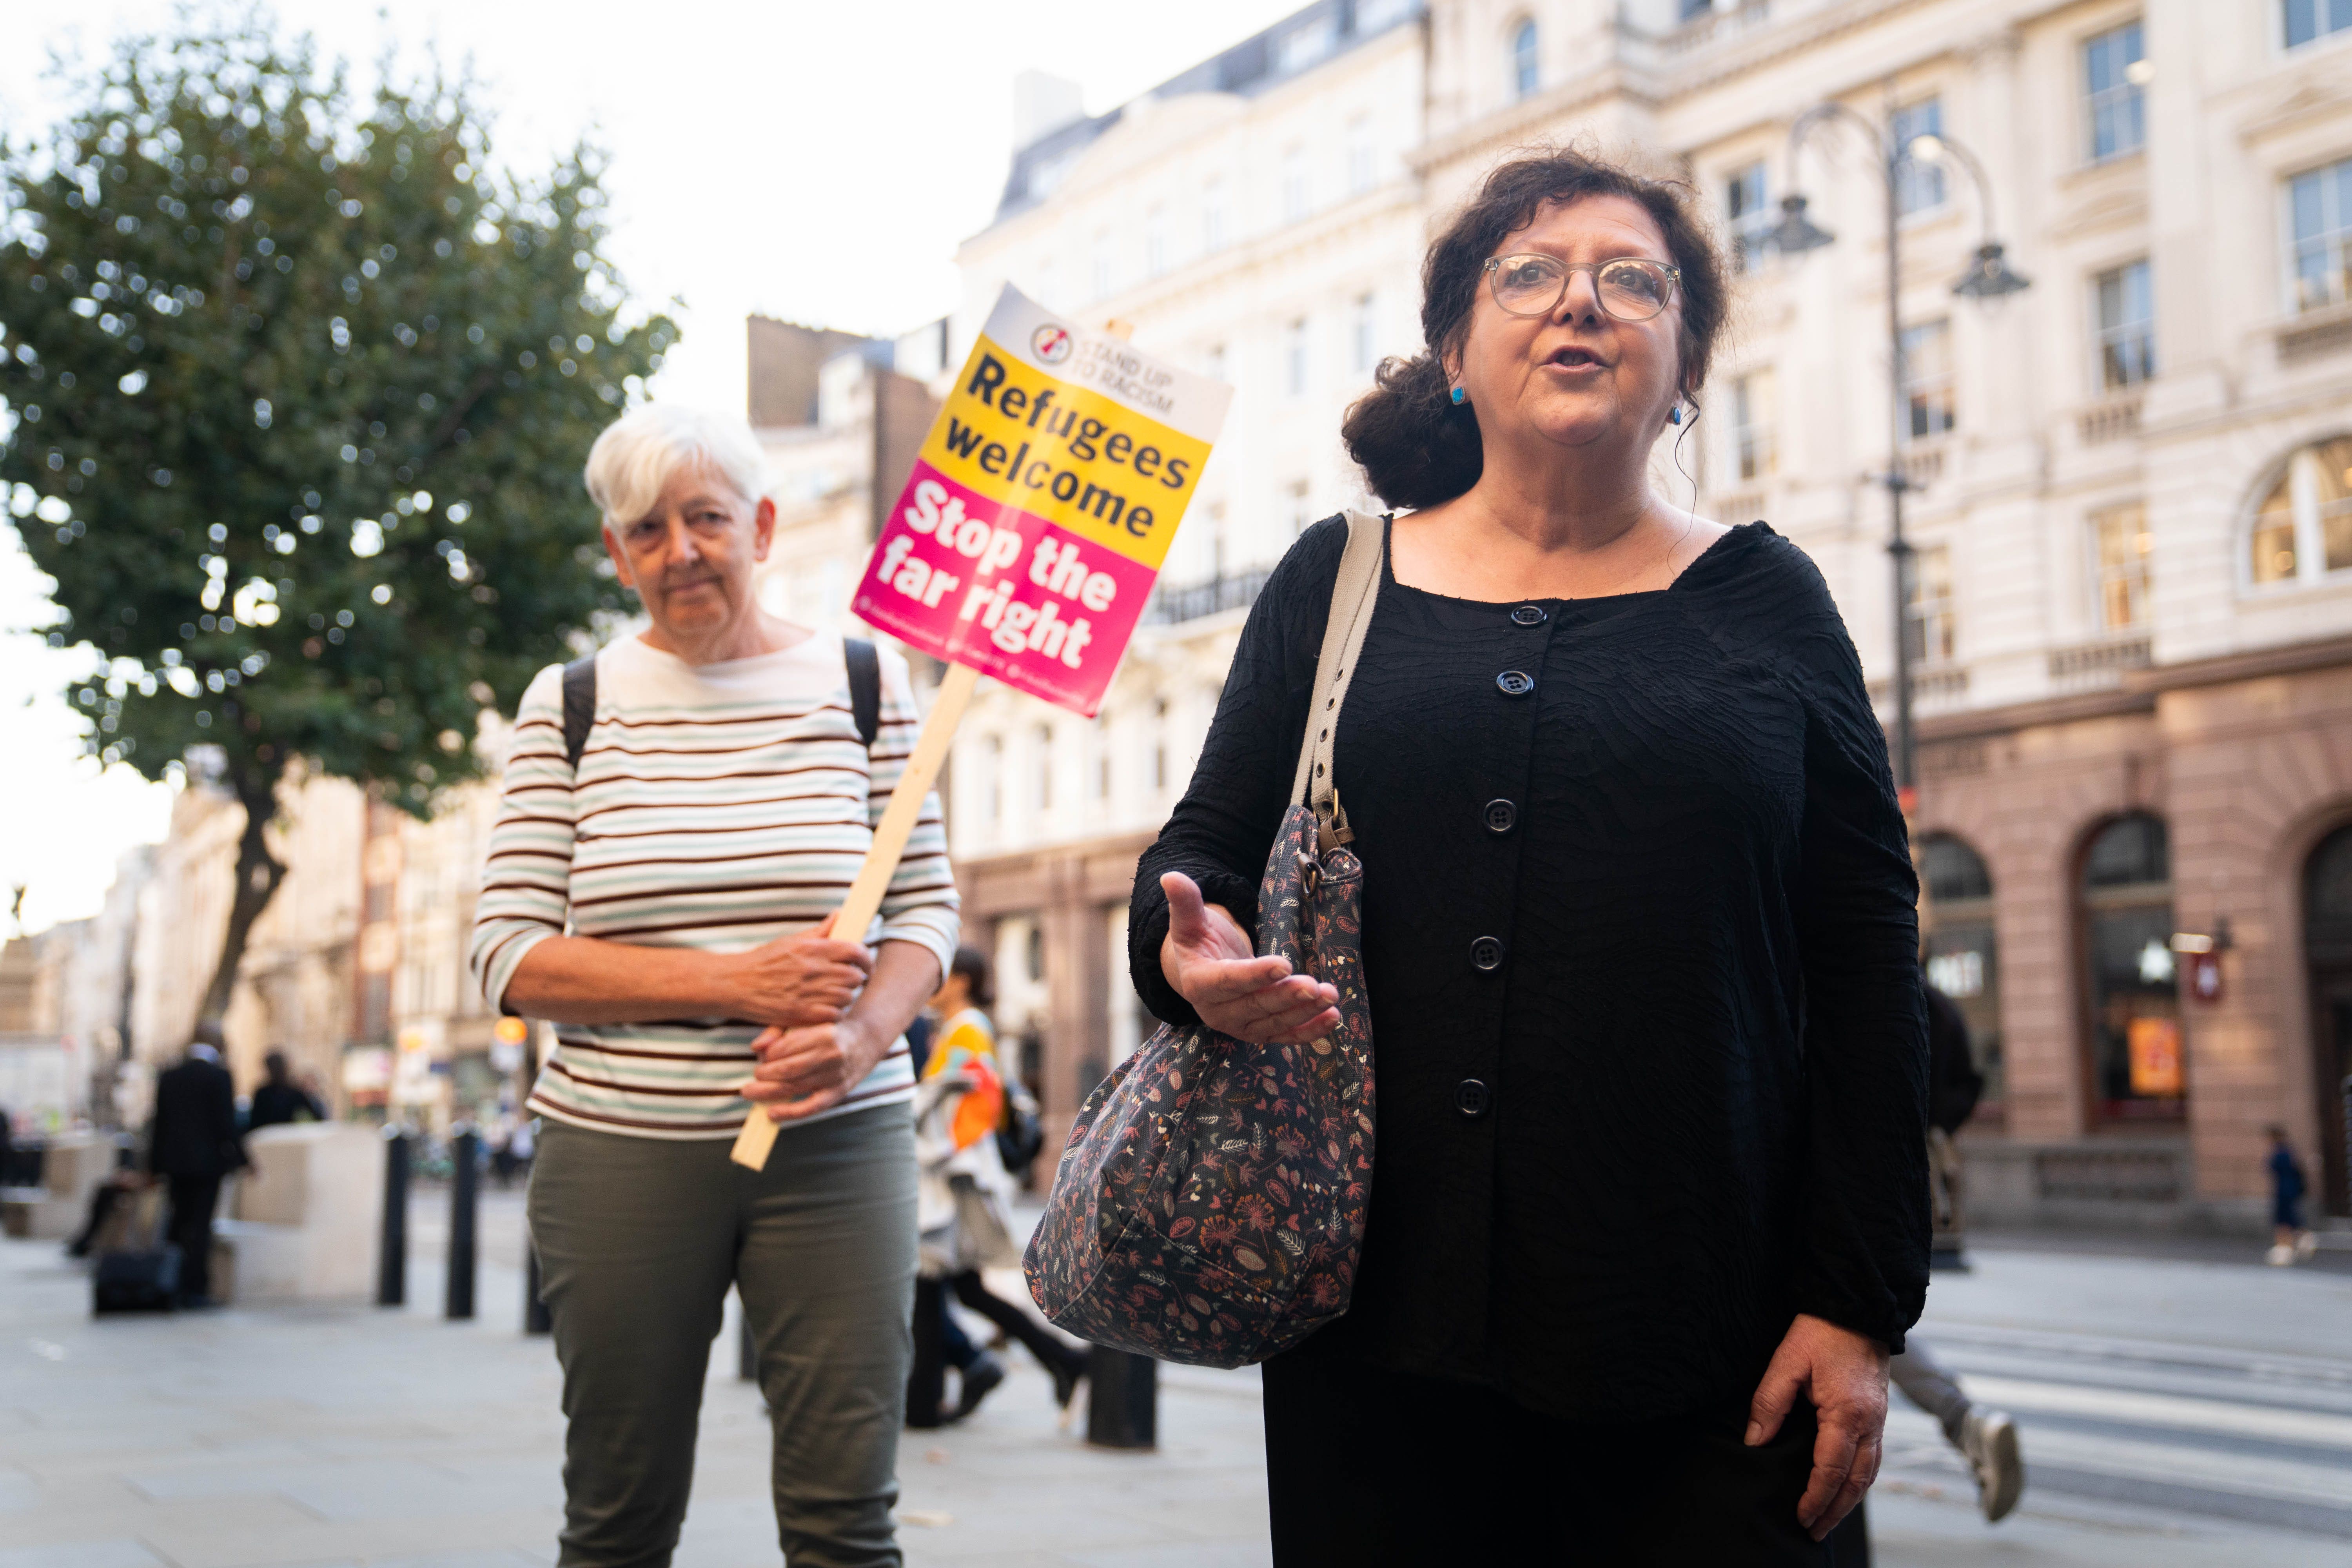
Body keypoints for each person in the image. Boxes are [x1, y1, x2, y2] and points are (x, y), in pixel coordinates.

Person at [1131, 149, 1928, 1565]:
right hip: (1373, 1334)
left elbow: (1864, 956)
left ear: (1684, 360)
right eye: (1530, 276)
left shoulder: (1771, 599)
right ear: (1454, 348)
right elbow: (1202, 851)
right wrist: (1184, 950)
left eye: (1633, 280)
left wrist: (1856, 1301)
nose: (1583, 303)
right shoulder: (1336, 579)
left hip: (1712, 1350)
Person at [469, 404, 959, 1568]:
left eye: (705, 518)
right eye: (647, 530)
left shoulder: (863, 681)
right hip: (621, 1152)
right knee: (617, 1522)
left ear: (764, 526)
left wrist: (860, 1038)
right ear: (616, 552)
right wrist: (736, 982)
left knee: (848, 1524)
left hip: (842, 1147)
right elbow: (510, 954)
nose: (679, 550)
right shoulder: (571, 704)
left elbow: (927, 910)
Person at [916, 946, 1088, 1417]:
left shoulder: (968, 1028)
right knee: (960, 1287)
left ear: (963, 980)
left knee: (932, 1285)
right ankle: (1061, 1359)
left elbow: (975, 1108)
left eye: (942, 974)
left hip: (949, 1180)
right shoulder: (959, 1028)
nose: (932, 984)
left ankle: (932, 1394)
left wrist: (936, 1151)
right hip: (951, 1177)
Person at [1887, 984, 2023, 1523]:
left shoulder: (1840, 977)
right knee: (1871, 1316)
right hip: (1912, 1181)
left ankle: (1962, 1418)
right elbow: (1967, 1085)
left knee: (1855, 1314)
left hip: (1849, 1183)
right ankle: (1964, 1420)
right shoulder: (1937, 1004)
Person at [147, 1022, 248, 1307]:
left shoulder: (170, 1075)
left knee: (178, 1223)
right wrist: (243, 1160)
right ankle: (195, 1289)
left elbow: (159, 1125)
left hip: (175, 1166)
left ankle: (168, 1283)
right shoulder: (219, 1076)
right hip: (207, 1168)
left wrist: (153, 1168)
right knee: (201, 1227)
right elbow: (226, 1125)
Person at [2268, 1126, 2318, 1265]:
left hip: (2284, 1191)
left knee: (2283, 1220)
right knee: (2291, 1218)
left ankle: (2285, 1250)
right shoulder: (2290, 1152)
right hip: (2291, 1190)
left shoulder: (2281, 1153)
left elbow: (2273, 1168)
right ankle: (2302, 1241)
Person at [247, 1049, 325, 1131]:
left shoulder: (263, 1093)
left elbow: (254, 1124)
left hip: (270, 1139)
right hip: (283, 1139)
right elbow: (317, 1118)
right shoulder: (294, 1093)